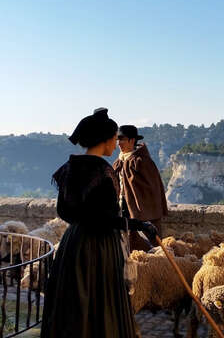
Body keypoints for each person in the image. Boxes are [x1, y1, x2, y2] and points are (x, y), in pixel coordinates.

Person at [42, 108, 158, 338]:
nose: (116, 144)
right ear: (104, 139)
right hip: (99, 247)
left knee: (72, 300)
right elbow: (106, 219)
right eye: (114, 138)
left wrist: (81, 224)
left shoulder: (69, 168)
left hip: (73, 244)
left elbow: (62, 211)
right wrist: (139, 225)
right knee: (102, 299)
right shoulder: (104, 171)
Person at [113, 125, 168, 251]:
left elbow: (152, 190)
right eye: (117, 140)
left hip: (140, 214)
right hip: (122, 213)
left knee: (146, 252)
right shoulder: (119, 162)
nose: (119, 143)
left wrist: (142, 215)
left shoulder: (141, 162)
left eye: (122, 139)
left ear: (132, 140)